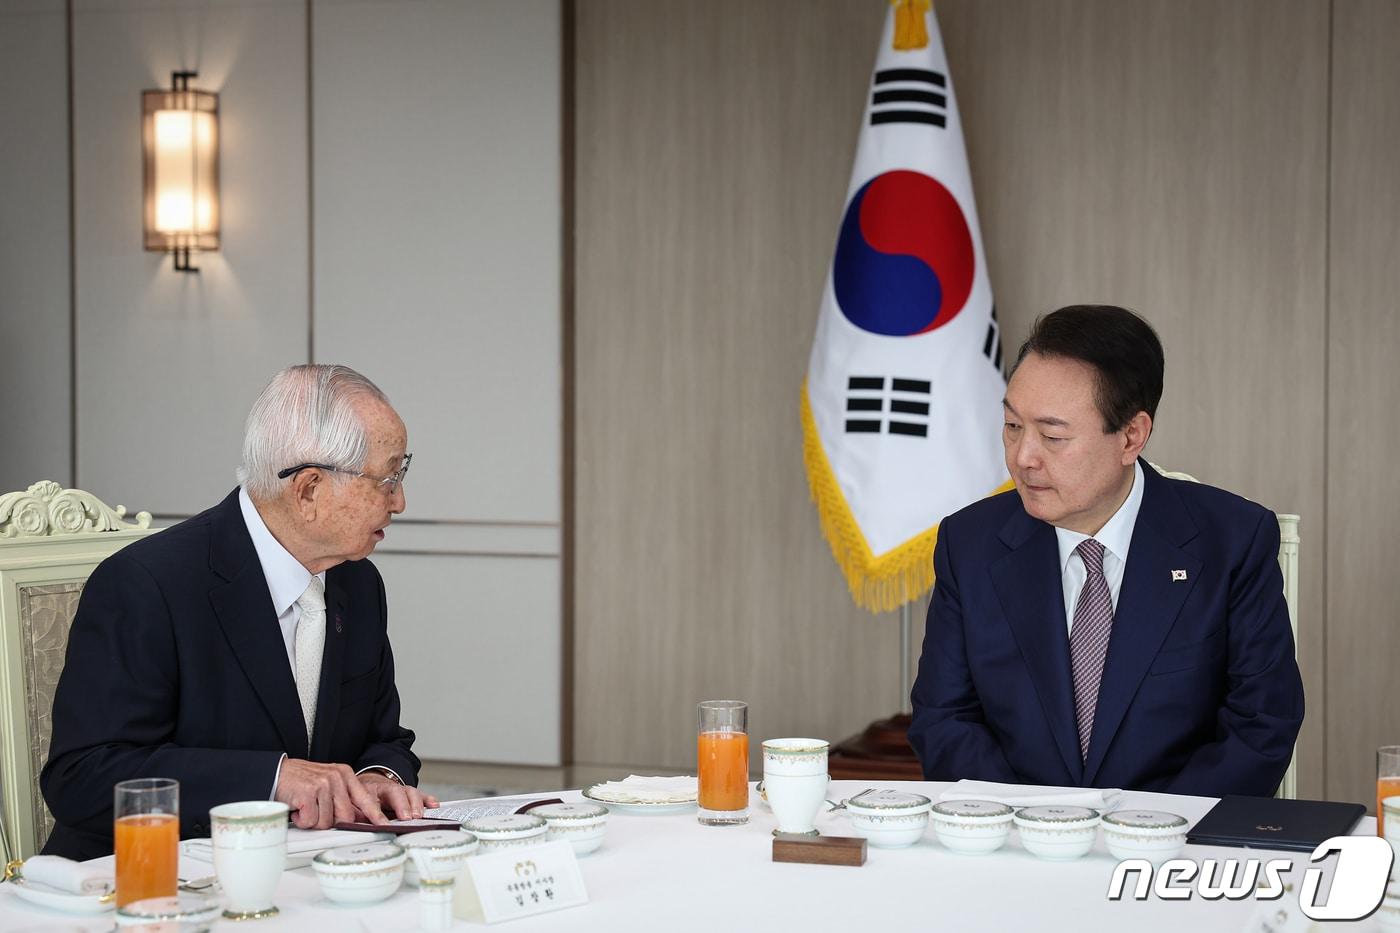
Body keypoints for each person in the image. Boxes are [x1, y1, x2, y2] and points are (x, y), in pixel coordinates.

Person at [41, 364, 438, 860]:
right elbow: (84, 776)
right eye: (386, 479)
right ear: (309, 489)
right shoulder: (147, 584)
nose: (399, 501)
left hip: (304, 873)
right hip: (149, 880)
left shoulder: (357, 581)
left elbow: (386, 738)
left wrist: (378, 778)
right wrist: (272, 779)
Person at [908, 305, 1303, 797]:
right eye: (1012, 426)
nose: (1023, 457)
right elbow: (944, 720)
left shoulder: (1233, 541)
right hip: (1017, 847)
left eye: (1053, 436)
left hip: (1173, 851)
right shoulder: (969, 545)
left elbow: (1261, 724)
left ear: (1132, 436)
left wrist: (1149, 830)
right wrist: (1037, 826)